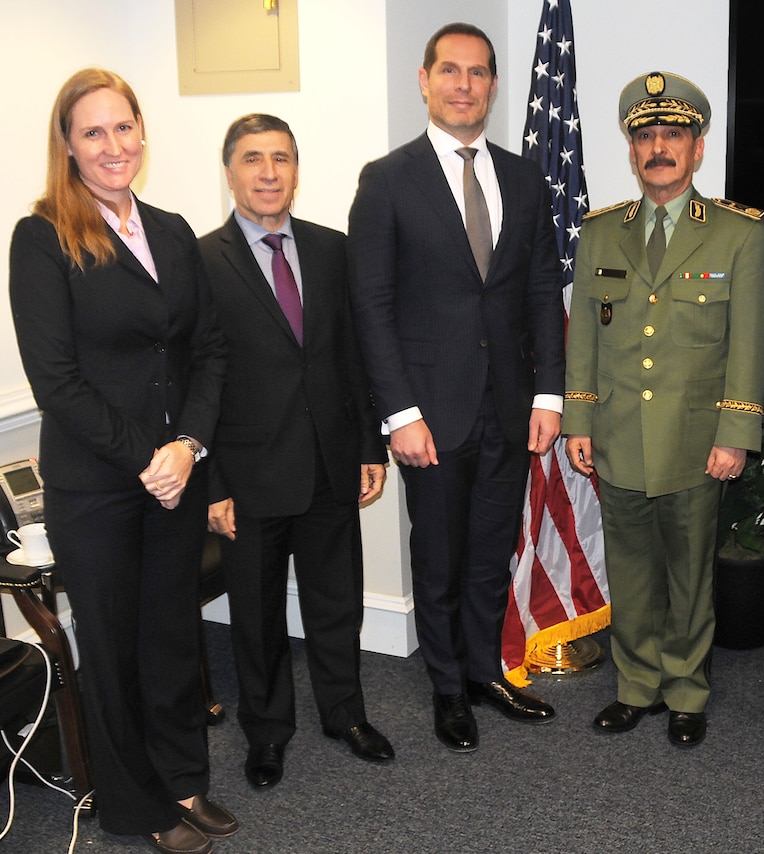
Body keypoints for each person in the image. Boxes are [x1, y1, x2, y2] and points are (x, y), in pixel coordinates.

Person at [8, 69, 235, 854]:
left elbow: (207, 351)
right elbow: (57, 382)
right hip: (100, 487)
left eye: (124, 127)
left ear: (143, 132)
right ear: (67, 145)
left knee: (173, 637)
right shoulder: (42, 238)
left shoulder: (171, 228)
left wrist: (189, 447)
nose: (113, 146)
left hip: (177, 476)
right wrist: (150, 456)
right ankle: (136, 809)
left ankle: (183, 781)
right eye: (94, 132)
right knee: (112, 648)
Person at [347, 22, 564, 753]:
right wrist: (398, 414)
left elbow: (539, 292)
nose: (464, 85)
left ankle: (483, 672)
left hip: (508, 405)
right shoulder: (387, 179)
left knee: (489, 552)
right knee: (438, 556)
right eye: (450, 71)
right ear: (425, 80)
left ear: (494, 86)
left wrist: (548, 395)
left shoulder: (526, 178)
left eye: (477, 73)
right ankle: (447, 689)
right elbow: (370, 305)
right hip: (429, 415)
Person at [564, 71, 764, 749]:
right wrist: (580, 421)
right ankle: (635, 686)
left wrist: (736, 432)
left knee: (689, 574)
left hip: (695, 439)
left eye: (672, 135)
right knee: (630, 569)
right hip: (619, 435)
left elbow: (748, 344)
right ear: (631, 149)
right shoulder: (601, 233)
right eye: (646, 135)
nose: (659, 147)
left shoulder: (738, 235)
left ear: (697, 147)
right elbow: (585, 338)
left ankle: (685, 690)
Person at [199, 114, 394, 789]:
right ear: (229, 170)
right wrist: (213, 484)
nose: (268, 172)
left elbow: (354, 355)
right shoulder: (199, 261)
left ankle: (345, 714)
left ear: (296, 169)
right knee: (254, 618)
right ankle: (268, 734)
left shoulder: (331, 249)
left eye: (280, 158)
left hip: (331, 464)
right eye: (253, 158)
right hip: (247, 478)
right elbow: (198, 381)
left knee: (336, 603)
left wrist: (371, 444)